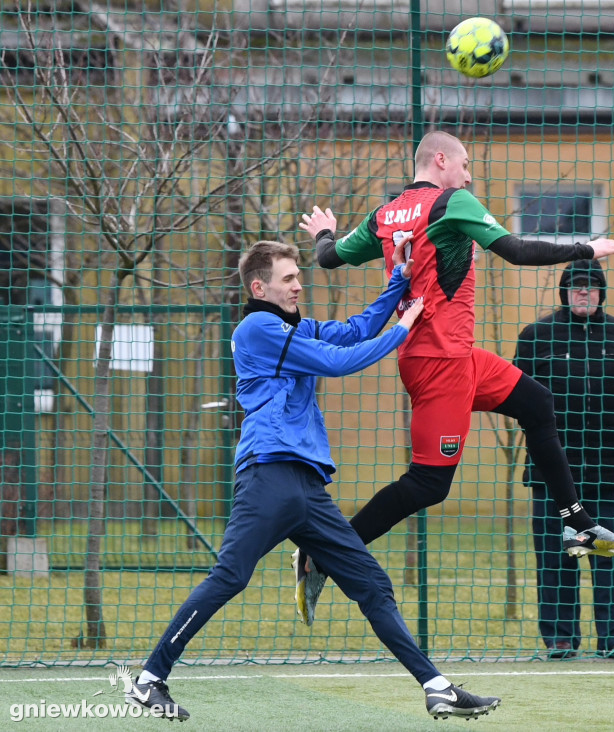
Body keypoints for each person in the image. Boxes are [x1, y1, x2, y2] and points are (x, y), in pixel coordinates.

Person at [125, 240, 500, 721]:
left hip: (306, 488)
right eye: (288, 278)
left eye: (298, 276)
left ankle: (436, 687)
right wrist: (404, 327)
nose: (298, 285)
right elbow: (339, 362)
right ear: (259, 288)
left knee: (371, 583)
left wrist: (399, 281)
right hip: (268, 475)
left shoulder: (292, 328)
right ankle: (149, 680)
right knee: (231, 576)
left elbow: (355, 331)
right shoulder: (258, 327)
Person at [298, 130, 614, 564]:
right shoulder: (451, 202)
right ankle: (325, 551)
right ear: (441, 160)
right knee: (428, 484)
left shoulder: (385, 213)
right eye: (465, 165)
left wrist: (325, 233)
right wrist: (586, 248)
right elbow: (516, 249)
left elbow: (329, 257)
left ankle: (579, 523)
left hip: (451, 356)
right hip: (442, 362)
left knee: (537, 404)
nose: (469, 176)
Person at [514, 259, 614, 661]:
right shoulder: (536, 336)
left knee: (612, 556)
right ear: (564, 292)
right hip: (551, 473)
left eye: (591, 285)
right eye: (575, 285)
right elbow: (518, 398)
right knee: (556, 559)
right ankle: (560, 639)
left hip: (608, 468)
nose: (583, 291)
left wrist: (612, 436)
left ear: (602, 292)